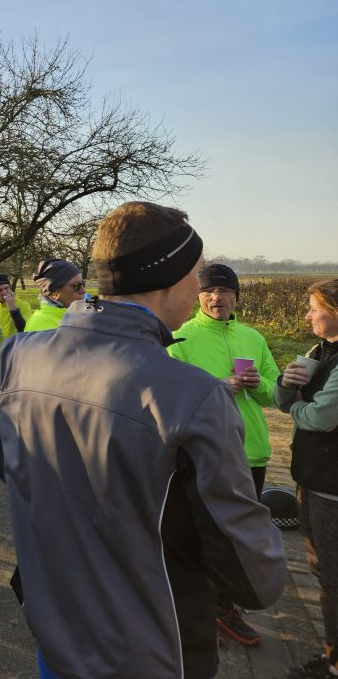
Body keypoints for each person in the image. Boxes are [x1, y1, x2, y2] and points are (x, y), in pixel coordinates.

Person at [0, 201, 286, 679]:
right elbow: (256, 581)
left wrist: (32, 470)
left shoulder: (20, 355)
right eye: (197, 273)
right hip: (151, 653)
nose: (200, 285)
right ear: (171, 279)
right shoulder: (195, 396)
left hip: (54, 632)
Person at [168, 262, 281, 645]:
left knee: (242, 537)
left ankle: (225, 602)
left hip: (251, 451)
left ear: (236, 296)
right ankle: (209, 607)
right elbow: (171, 398)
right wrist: (219, 385)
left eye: (225, 291)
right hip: (204, 453)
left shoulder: (253, 337)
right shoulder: (180, 338)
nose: (217, 298)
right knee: (204, 533)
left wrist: (258, 382)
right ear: (198, 296)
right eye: (209, 291)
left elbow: (273, 393)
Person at [275, 279, 338, 679]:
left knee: (334, 577)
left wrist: (298, 407)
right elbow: (283, 401)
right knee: (323, 573)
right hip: (312, 480)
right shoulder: (319, 352)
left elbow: (322, 417)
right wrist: (286, 385)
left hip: (333, 489)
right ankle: (332, 654)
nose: (307, 315)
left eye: (314, 308)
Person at [24, 259, 84, 332]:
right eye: (76, 286)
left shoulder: (70, 316)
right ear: (53, 292)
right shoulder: (42, 323)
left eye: (82, 284)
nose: (83, 290)